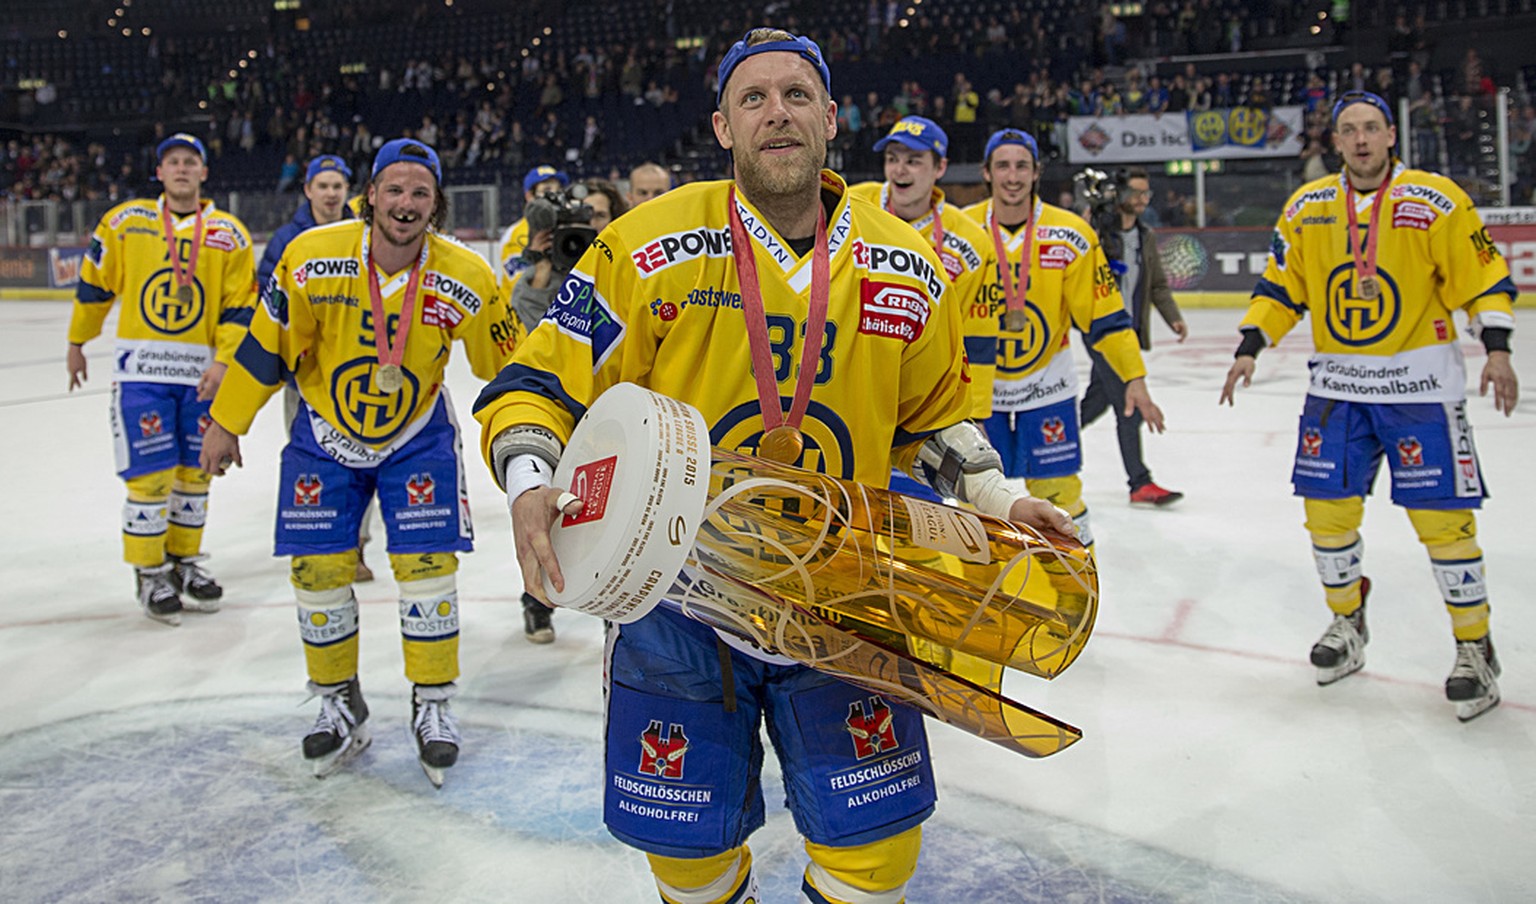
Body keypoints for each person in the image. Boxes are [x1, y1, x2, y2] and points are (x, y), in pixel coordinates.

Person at [473, 29, 1074, 904]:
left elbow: (937, 418)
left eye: (797, 95)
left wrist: (999, 496)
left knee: (876, 854)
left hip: (847, 593)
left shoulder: (910, 263)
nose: (777, 113)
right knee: (684, 851)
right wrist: (530, 485)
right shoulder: (646, 245)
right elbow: (535, 381)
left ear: (831, 118)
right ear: (722, 126)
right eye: (753, 99)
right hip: (677, 599)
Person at [199, 138, 515, 783]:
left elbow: (504, 367)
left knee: (427, 570)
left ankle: (433, 704)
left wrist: (536, 434)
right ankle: (337, 700)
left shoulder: (471, 275)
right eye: (394, 190)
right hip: (324, 435)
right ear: (370, 195)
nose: (405, 204)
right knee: (318, 571)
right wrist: (226, 423)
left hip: (417, 436)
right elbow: (267, 346)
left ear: (438, 204)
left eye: (420, 193)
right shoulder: (310, 256)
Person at [1220, 91, 1519, 721]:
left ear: (1391, 135)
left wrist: (1497, 348)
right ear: (1336, 142)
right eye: (1348, 130)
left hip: (1420, 391)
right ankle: (1346, 624)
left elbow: (1483, 279)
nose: (1360, 140)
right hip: (1337, 391)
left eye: (1371, 129)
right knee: (1327, 517)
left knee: (1444, 524)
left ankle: (1475, 650)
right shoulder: (1307, 208)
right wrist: (1250, 345)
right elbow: (1282, 285)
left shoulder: (1436, 200)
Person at [66, 132, 255, 626]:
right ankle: (149, 571)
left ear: (204, 173)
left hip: (201, 378)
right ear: (159, 172)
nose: (182, 169)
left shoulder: (228, 233)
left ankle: (183, 561)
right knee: (149, 477)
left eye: (191, 161)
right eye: (173, 161)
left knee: (196, 475)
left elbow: (239, 305)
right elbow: (94, 284)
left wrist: (223, 362)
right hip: (141, 376)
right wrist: (76, 341)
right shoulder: (126, 223)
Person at [964, 129, 1166, 547]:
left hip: (1046, 389)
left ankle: (1072, 586)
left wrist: (1134, 376)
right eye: (1003, 165)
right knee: (975, 500)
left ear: (1037, 172)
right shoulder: (962, 231)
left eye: (1022, 165)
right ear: (987, 172)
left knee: (1059, 495)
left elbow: (1106, 317)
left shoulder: (1070, 235)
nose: (1013, 175)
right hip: (978, 396)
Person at [504, 177, 631, 644]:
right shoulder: (553, 274)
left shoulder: (628, 272)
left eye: (598, 218)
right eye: (583, 220)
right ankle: (536, 601)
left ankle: (614, 613)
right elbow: (530, 335)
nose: (591, 228)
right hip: (561, 418)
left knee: (615, 524)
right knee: (542, 512)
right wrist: (543, 266)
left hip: (614, 422)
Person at [847, 114, 996, 498]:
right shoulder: (850, 203)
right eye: (893, 158)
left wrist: (971, 413)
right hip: (850, 381)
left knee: (919, 524)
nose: (900, 169)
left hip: (922, 400)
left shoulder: (972, 242)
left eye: (914, 160)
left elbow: (974, 336)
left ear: (940, 168)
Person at [256, 154, 379, 582]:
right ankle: (323, 541)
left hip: (359, 375)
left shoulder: (367, 234)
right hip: (305, 381)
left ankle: (357, 547)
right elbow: (270, 308)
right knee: (316, 462)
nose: (330, 193)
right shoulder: (285, 241)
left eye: (337, 186)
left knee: (365, 460)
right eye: (322, 186)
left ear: (348, 191)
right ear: (307, 190)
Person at [1080, 167, 1188, 507]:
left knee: (1097, 401)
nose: (1142, 200)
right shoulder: (1097, 232)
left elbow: (1155, 284)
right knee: (1130, 403)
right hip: (1100, 331)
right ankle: (1139, 482)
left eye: (1146, 194)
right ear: (1119, 195)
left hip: (1129, 333)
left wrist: (1173, 318)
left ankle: (1051, 441)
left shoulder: (1145, 236)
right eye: (1136, 193)